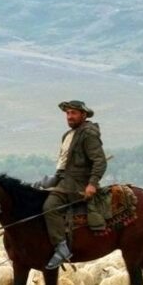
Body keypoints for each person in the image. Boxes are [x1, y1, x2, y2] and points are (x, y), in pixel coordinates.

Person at [43, 100, 107, 270]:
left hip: (77, 185)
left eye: (73, 113)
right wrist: (52, 179)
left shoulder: (88, 134)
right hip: (64, 180)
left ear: (83, 115)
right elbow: (64, 163)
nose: (69, 117)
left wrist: (92, 184)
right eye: (67, 113)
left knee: (50, 207)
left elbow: (99, 161)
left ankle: (62, 247)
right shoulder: (68, 135)